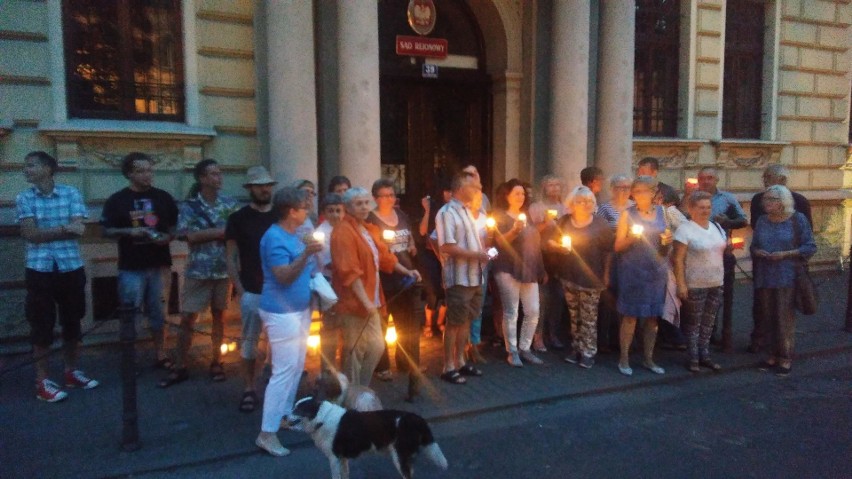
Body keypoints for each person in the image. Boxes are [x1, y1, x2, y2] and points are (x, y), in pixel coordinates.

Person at [17, 151, 99, 402]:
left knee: (73, 320)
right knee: (41, 324)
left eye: (31, 165)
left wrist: (53, 231)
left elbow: (80, 230)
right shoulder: (24, 197)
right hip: (40, 269)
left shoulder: (70, 193)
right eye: (25, 165)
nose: (26, 170)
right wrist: (64, 228)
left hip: (70, 266)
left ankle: (71, 371)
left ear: (47, 168)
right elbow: (30, 234)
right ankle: (42, 381)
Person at [254, 187, 324, 456]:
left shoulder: (294, 233)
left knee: (295, 367)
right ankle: (266, 433)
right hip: (281, 314)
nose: (307, 211)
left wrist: (311, 252)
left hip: (298, 310)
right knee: (282, 372)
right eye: (304, 207)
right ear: (291, 211)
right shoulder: (274, 238)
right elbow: (283, 276)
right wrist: (306, 253)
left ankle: (284, 415)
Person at [159, 159, 238, 388]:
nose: (219, 177)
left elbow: (234, 234)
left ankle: (217, 361)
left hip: (223, 269)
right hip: (198, 269)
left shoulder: (229, 204)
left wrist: (210, 233)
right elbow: (188, 236)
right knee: (187, 318)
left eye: (220, 173)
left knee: (220, 317)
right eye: (213, 174)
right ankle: (180, 364)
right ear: (202, 178)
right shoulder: (190, 206)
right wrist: (219, 232)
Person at [331, 187, 420, 387]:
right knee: (354, 352)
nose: (364, 207)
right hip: (354, 304)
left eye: (365, 203)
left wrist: (407, 271)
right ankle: (351, 397)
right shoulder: (343, 232)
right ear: (348, 207)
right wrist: (366, 303)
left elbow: (386, 258)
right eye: (358, 203)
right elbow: (350, 272)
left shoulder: (369, 229)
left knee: (377, 346)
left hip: (372, 301)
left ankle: (360, 389)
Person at [101, 152, 178, 372]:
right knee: (129, 313)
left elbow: (174, 227)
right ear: (129, 174)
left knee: (159, 312)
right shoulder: (118, 199)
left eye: (150, 170)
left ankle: (161, 353)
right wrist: (130, 232)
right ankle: (129, 358)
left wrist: (168, 237)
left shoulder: (163, 197)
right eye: (141, 171)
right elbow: (106, 230)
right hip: (131, 266)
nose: (147, 175)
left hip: (159, 264)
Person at [224, 166, 278, 413]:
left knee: (278, 344)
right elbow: (231, 257)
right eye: (259, 185)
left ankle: (275, 388)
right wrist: (241, 289)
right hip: (253, 290)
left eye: (268, 184)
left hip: (279, 292)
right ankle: (249, 388)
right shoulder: (238, 218)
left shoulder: (280, 216)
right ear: (250, 188)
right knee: (249, 344)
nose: (264, 189)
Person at [751, 185, 816, 376]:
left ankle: (785, 357)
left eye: (771, 199)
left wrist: (785, 254)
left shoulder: (798, 220)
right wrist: (757, 252)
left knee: (783, 318)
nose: (766, 202)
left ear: (782, 202)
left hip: (787, 275)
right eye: (765, 199)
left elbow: (810, 247)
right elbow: (754, 246)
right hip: (765, 275)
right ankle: (771, 355)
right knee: (767, 317)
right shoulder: (762, 221)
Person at [367, 179, 423, 398]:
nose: (390, 199)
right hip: (384, 280)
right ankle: (382, 366)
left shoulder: (402, 216)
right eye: (384, 195)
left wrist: (411, 246)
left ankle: (407, 364)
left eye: (392, 194)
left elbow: (410, 239)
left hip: (406, 278)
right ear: (375, 198)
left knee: (406, 326)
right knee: (381, 326)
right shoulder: (371, 221)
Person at [548, 186, 613, 369]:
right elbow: (551, 240)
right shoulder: (564, 221)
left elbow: (609, 251)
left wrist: (606, 274)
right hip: (569, 275)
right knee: (574, 315)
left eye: (589, 201)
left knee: (589, 317)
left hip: (592, 278)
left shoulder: (600, 224)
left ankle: (588, 352)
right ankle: (576, 347)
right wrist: (557, 247)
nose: (585, 204)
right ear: (572, 204)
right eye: (580, 201)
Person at [435, 173, 491, 383]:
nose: (478, 190)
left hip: (475, 276)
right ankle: (447, 366)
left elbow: (475, 241)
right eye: (474, 187)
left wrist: (486, 252)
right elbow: (447, 246)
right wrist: (477, 254)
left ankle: (461, 360)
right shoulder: (446, 212)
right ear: (460, 187)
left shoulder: (468, 211)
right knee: (454, 322)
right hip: (459, 278)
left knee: (467, 319)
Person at [614, 176, 672, 376]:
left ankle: (648, 358)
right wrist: (632, 238)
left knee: (652, 318)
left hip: (656, 271)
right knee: (630, 316)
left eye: (644, 191)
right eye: (636, 191)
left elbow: (666, 244)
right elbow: (618, 246)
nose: (640, 195)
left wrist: (668, 241)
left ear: (654, 192)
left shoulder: (662, 213)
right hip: (633, 271)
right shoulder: (627, 215)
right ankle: (624, 358)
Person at [492, 179, 546, 367]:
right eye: (516, 193)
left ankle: (525, 348)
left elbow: (535, 243)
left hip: (529, 269)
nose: (521, 197)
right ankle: (512, 351)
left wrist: (541, 268)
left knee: (533, 311)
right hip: (507, 268)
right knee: (511, 311)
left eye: (523, 193)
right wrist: (514, 231)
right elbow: (498, 243)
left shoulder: (526, 215)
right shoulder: (499, 216)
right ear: (506, 195)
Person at [672, 191, 728, 373]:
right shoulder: (685, 230)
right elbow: (678, 259)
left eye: (708, 207)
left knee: (708, 322)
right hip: (695, 282)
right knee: (693, 322)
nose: (705, 211)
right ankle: (693, 357)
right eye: (701, 207)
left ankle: (705, 355)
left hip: (716, 281)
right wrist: (681, 283)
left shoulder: (716, 227)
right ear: (691, 209)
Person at [697, 166, 748, 352]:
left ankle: (714, 332)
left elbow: (743, 220)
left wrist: (726, 221)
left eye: (710, 178)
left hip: (719, 253)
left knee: (718, 296)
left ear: (716, 180)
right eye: (702, 178)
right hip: (695, 254)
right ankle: (695, 335)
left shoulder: (727, 199)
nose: (706, 181)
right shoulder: (690, 198)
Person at [528, 174, 568, 351]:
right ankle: (538, 336)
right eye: (550, 185)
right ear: (543, 188)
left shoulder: (565, 207)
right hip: (542, 256)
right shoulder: (537, 207)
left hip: (560, 258)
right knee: (541, 299)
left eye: (557, 185)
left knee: (558, 298)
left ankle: (553, 333)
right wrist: (546, 223)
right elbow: (531, 232)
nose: (554, 189)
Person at [595, 174, 634, 353]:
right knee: (607, 299)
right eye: (619, 187)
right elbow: (598, 233)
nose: (623, 191)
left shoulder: (634, 208)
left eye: (627, 187)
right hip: (609, 257)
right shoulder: (604, 209)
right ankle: (603, 340)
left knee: (626, 299)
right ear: (612, 189)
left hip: (631, 258)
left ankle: (623, 341)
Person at [315, 193, 346, 373]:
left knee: (345, 328)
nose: (335, 214)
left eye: (338, 210)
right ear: (324, 213)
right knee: (330, 327)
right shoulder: (321, 233)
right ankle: (327, 369)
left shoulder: (346, 228)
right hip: (329, 284)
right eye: (331, 211)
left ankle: (343, 369)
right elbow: (328, 262)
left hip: (346, 284)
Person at [418, 179, 451, 337]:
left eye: (452, 191)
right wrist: (427, 210)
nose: (449, 194)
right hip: (430, 254)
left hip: (448, 254)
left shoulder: (455, 210)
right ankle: (428, 324)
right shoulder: (433, 207)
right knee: (432, 291)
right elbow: (423, 232)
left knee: (446, 290)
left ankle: (440, 322)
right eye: (447, 190)